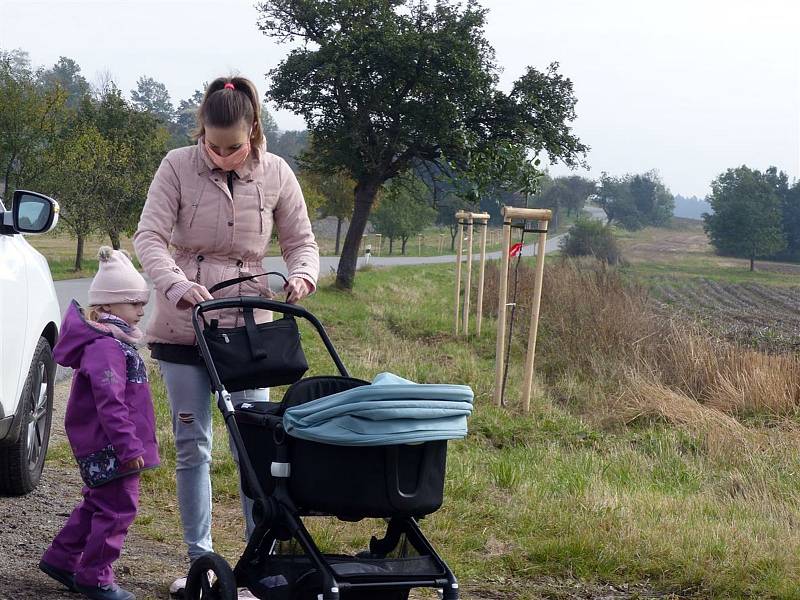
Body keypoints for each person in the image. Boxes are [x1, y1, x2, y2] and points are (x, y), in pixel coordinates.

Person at [133, 75, 319, 598]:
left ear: (253, 130)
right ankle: (202, 562)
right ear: (202, 134)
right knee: (192, 444)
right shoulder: (176, 165)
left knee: (250, 445)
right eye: (212, 146)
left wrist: (302, 274)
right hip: (184, 324)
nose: (220, 155)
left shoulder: (277, 172)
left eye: (232, 147)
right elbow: (149, 235)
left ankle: (256, 564)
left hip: (248, 329)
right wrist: (172, 284)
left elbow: (301, 239)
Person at [39, 247, 158, 600]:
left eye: (141, 302)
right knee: (119, 508)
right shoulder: (106, 347)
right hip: (112, 447)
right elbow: (111, 404)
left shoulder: (111, 341)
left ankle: (61, 559)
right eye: (134, 302)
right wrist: (129, 447)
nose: (141, 309)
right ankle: (95, 577)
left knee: (97, 504)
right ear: (107, 307)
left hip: (106, 444)